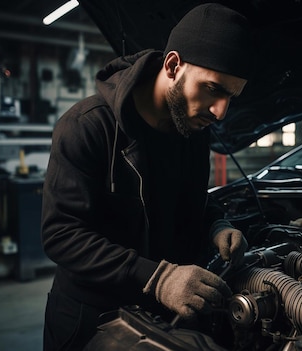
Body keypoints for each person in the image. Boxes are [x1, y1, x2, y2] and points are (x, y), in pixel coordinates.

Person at [40, 3, 252, 350]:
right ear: (172, 66)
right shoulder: (87, 126)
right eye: (214, 88)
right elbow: (61, 234)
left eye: (231, 96)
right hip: (92, 319)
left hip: (165, 315)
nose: (220, 112)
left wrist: (217, 223)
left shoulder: (191, 129)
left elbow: (190, 201)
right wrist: (158, 278)